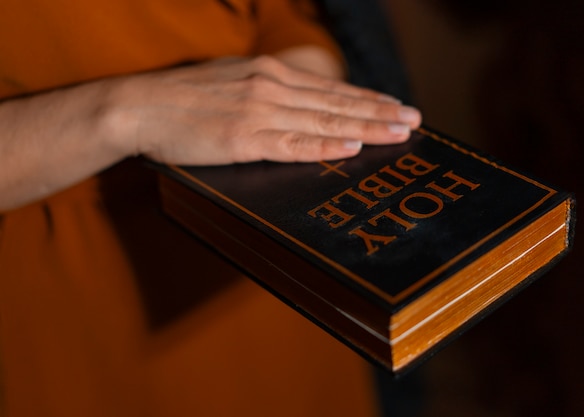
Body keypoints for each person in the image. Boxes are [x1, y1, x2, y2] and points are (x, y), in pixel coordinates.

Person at [0, 1, 421, 416]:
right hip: (75, 291)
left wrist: (297, 84)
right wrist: (127, 113)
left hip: (275, 253)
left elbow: (284, 16)